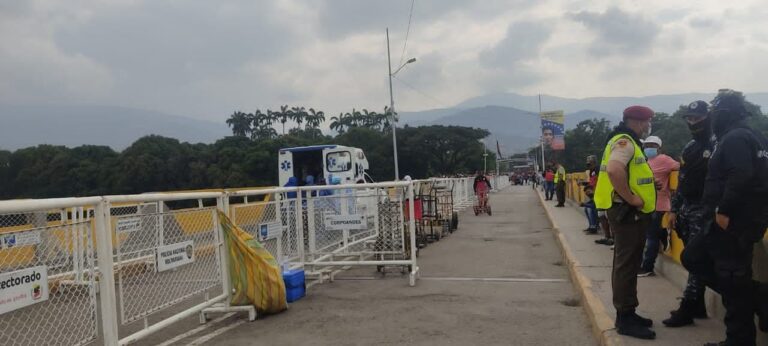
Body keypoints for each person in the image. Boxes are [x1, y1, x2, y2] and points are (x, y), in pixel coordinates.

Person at [685, 91, 768, 346]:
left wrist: (723, 210)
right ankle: (758, 299)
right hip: (742, 219)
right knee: (695, 258)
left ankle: (740, 338)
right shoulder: (753, 136)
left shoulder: (735, 138)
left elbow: (741, 176)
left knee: (731, 275)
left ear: (725, 114)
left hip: (733, 221)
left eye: (715, 113)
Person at [594, 105, 657, 340]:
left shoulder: (624, 140)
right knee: (627, 263)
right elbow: (614, 170)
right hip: (626, 212)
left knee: (628, 262)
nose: (648, 127)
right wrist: (631, 198)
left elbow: (630, 174)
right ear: (639, 122)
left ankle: (629, 310)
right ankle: (624, 317)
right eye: (647, 122)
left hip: (625, 211)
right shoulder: (626, 142)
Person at [662, 100, 713, 327]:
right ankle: (698, 304)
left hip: (708, 211)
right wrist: (674, 210)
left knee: (695, 258)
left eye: (698, 118)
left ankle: (688, 307)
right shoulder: (690, 147)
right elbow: (682, 181)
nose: (693, 123)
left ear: (708, 117)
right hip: (688, 211)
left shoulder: (717, 144)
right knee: (695, 259)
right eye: (690, 119)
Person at [638, 136, 680, 277]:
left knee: (651, 238)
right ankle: (663, 234)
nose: (648, 148)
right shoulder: (646, 161)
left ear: (659, 148)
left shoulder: (664, 160)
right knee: (650, 235)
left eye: (652, 145)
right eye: (647, 145)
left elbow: (679, 167)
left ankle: (648, 267)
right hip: (648, 204)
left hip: (659, 205)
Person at [581, 155, 599, 234]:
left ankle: (594, 227)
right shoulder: (592, 171)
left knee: (590, 208)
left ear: (594, 163)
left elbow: (599, 182)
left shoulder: (598, 170)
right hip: (592, 192)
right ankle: (591, 225)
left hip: (598, 192)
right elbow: (591, 182)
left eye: (590, 164)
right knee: (586, 209)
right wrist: (583, 183)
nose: (589, 166)